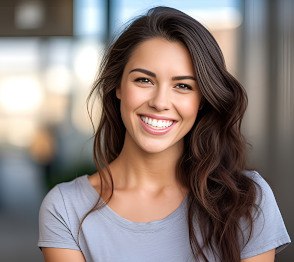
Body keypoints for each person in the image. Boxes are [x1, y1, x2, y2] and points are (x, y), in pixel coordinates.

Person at [38, 6, 291, 262]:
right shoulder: (66, 207)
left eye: (183, 86)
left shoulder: (245, 198)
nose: (160, 102)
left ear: (201, 100)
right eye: (144, 80)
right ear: (117, 86)